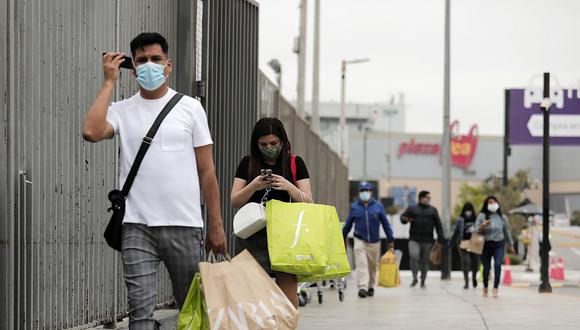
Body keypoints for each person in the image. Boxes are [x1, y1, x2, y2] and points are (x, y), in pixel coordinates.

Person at [82, 32, 227, 328]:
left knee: (193, 309)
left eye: (156, 59)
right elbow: (91, 132)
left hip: (184, 225)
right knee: (139, 312)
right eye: (142, 61)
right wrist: (109, 82)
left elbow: (207, 171)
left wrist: (216, 225)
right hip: (137, 226)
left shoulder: (190, 108)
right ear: (133, 68)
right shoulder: (122, 109)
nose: (149, 66)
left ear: (168, 65)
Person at [231, 117, 313, 308]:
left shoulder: (295, 163)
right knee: (253, 299)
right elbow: (235, 200)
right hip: (251, 236)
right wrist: (254, 185)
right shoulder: (247, 163)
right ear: (256, 144)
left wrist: (287, 186)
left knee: (287, 302)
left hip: (285, 237)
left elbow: (309, 201)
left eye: (274, 143)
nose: (269, 147)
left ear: (282, 141)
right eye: (263, 144)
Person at [342, 182, 394, 298]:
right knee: (361, 264)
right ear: (359, 193)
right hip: (359, 240)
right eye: (362, 191)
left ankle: (370, 286)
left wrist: (390, 239)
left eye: (367, 190)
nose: (365, 193)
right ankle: (362, 287)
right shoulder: (355, 207)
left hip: (375, 241)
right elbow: (348, 224)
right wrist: (342, 236)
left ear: (371, 192)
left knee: (372, 266)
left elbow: (386, 224)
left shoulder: (378, 206)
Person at [401, 190, 444, 288]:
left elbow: (438, 224)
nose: (429, 199)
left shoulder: (433, 210)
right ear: (421, 198)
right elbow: (403, 217)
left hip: (427, 240)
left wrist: (440, 236)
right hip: (414, 239)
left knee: (424, 261)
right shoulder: (412, 209)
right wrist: (404, 219)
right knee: (414, 256)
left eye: (429, 198)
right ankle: (415, 277)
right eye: (427, 197)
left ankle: (423, 280)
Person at [475, 196, 515, 298]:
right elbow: (475, 231)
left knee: (497, 265)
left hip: (499, 244)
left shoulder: (502, 217)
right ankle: (485, 287)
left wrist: (510, 244)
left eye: (494, 202)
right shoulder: (481, 216)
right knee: (486, 268)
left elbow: (506, 232)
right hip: (486, 244)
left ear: (497, 203)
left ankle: (496, 288)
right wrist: (482, 226)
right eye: (490, 203)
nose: (492, 204)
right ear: (486, 205)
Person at [451, 202, 479, 289]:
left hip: (474, 241)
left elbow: (481, 230)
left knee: (475, 263)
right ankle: (466, 282)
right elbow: (456, 232)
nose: (468, 212)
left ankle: (474, 276)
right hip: (464, 242)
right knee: (465, 262)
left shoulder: (476, 219)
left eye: (469, 210)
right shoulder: (460, 219)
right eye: (467, 210)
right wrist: (451, 242)